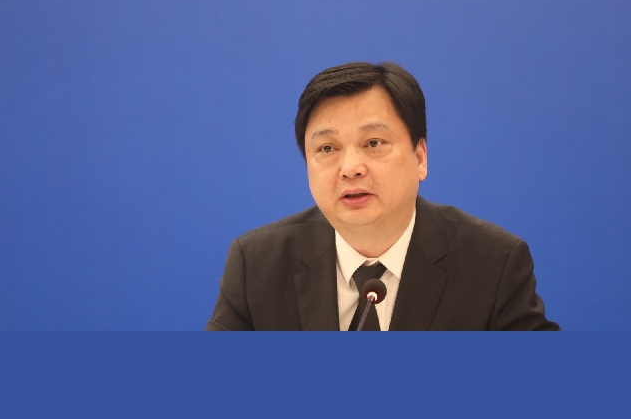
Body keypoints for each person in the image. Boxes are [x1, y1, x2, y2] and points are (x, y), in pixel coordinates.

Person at [206, 62, 559, 330]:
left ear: (419, 157)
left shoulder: (493, 264)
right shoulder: (257, 266)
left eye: (373, 143)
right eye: (327, 148)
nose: (350, 168)